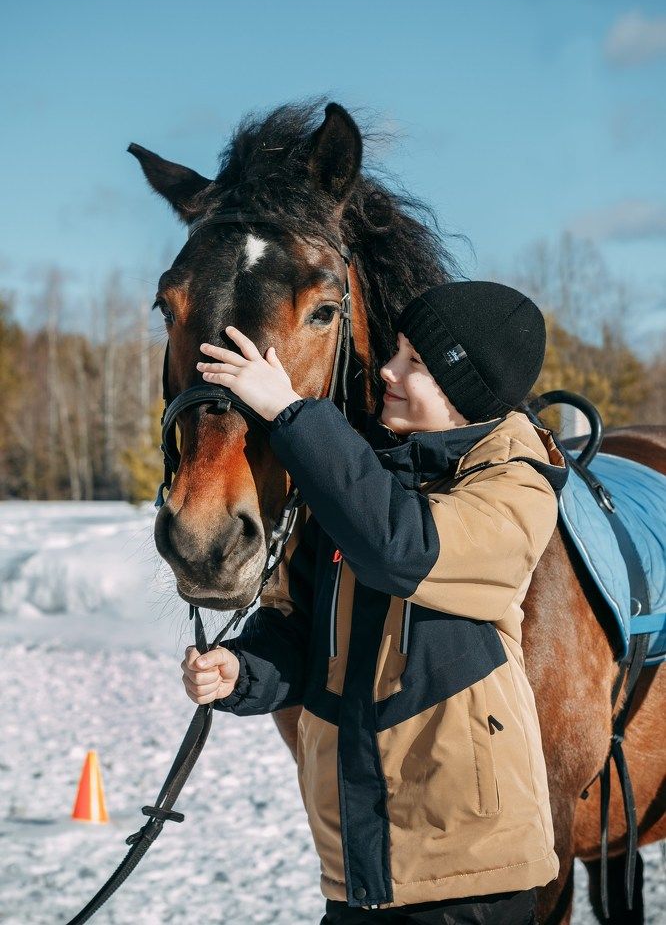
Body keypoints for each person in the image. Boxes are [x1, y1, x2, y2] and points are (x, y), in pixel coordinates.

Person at [181, 280, 569, 925]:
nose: (387, 369)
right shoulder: (365, 479)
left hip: (468, 877)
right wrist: (244, 671)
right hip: (361, 868)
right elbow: (304, 629)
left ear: (464, 393)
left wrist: (294, 415)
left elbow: (401, 549)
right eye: (397, 351)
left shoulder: (515, 490)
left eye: (416, 362)